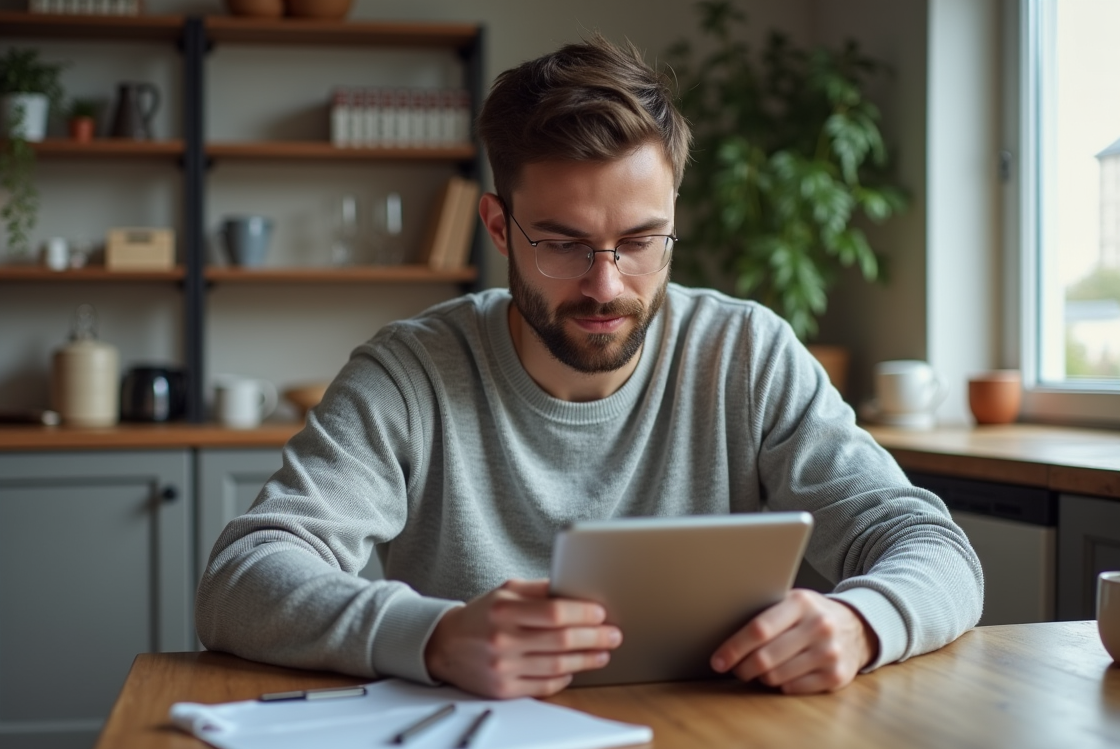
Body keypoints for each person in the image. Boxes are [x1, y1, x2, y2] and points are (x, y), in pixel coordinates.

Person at [196, 35, 983, 699]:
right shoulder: (411, 374)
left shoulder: (748, 355)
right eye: (563, 244)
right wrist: (434, 637)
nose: (606, 285)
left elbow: (931, 545)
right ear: (499, 228)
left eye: (640, 242)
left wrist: (862, 621)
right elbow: (242, 577)